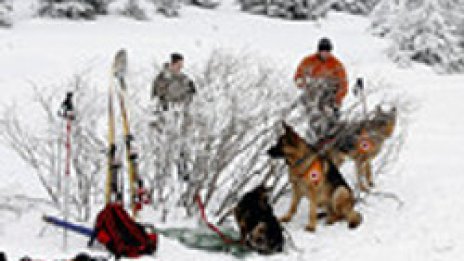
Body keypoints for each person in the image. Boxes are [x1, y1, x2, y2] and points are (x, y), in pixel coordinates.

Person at [293, 38, 349, 144]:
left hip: (330, 98)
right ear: (318, 50)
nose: (325, 54)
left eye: (327, 52)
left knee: (331, 121)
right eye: (322, 51)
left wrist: (337, 99)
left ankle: (331, 140)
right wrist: (302, 83)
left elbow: (343, 83)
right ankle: (314, 139)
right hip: (312, 96)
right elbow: (298, 76)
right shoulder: (308, 61)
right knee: (315, 119)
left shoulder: (336, 64)